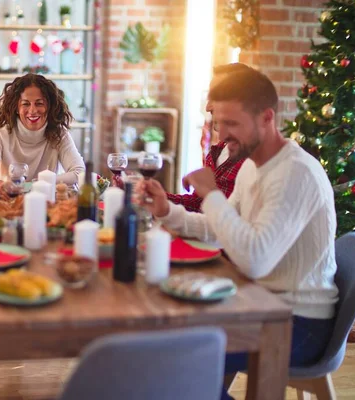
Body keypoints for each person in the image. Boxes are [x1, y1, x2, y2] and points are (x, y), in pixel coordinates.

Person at [139, 69, 338, 400]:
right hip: (261, 303)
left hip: (297, 322)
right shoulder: (252, 164)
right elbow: (222, 230)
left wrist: (211, 193)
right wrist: (166, 211)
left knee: (172, 357)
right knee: (159, 339)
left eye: (233, 124)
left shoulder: (295, 173)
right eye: (219, 123)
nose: (223, 135)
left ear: (267, 118)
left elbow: (255, 260)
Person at [0, 73, 85, 200]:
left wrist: (43, 181)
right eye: (26, 104)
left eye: (39, 103)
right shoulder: (0, 133)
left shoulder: (59, 134)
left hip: (46, 202)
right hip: (9, 201)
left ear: (49, 106)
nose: (32, 110)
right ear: (16, 107)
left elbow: (80, 172)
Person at [167, 63, 251, 212]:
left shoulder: (253, 162)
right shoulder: (219, 150)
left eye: (216, 98)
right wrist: (159, 198)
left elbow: (230, 223)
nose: (208, 107)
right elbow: (199, 203)